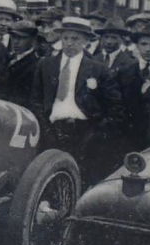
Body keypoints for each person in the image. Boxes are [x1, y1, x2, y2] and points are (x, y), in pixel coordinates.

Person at [32, 15, 122, 179]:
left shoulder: (98, 69)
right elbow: (36, 99)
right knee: (49, 175)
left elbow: (114, 106)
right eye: (65, 38)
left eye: (75, 38)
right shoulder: (46, 64)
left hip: (85, 132)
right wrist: (45, 127)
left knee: (81, 175)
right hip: (51, 130)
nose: (69, 42)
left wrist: (96, 131)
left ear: (86, 41)